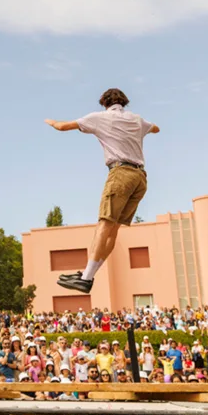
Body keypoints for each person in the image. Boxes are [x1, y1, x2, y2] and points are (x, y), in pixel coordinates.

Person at [47, 88, 160, 293]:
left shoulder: (100, 117)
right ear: (124, 102)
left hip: (120, 174)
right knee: (113, 229)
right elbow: (156, 129)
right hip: (140, 178)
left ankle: (86, 278)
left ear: (104, 103)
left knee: (104, 225)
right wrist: (143, 131)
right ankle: (87, 275)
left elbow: (62, 127)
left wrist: (51, 122)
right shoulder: (137, 119)